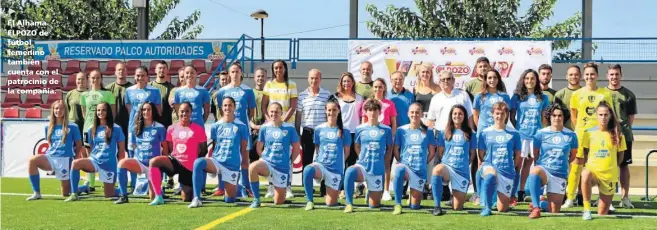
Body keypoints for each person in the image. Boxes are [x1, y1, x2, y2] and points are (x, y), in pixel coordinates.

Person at [563, 62, 614, 209]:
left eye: (592, 74)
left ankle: (604, 199)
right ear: (583, 76)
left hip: (600, 136)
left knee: (602, 166)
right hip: (581, 135)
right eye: (587, 74)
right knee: (576, 166)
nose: (589, 76)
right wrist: (581, 130)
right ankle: (570, 198)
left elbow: (609, 114)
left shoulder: (605, 93)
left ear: (597, 75)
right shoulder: (576, 94)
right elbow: (574, 116)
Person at [189, 97, 250, 208]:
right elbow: (214, 144)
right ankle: (196, 198)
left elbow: (243, 149)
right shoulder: (215, 126)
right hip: (217, 162)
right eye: (225, 105)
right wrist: (210, 158)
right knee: (198, 162)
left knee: (229, 200)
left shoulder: (241, 126)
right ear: (222, 108)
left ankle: (238, 187)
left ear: (234, 107)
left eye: (230, 105)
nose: (227, 108)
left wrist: (243, 168)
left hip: (232, 166)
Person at [148, 102, 207, 205]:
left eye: (187, 111)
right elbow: (170, 147)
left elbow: (203, 150)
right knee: (154, 162)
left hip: (190, 166)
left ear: (191, 113)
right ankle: (158, 196)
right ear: (177, 112)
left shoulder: (198, 129)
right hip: (176, 162)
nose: (184, 114)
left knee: (186, 198)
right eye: (182, 111)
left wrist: (195, 165)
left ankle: (192, 188)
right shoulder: (171, 128)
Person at [212, 62, 256, 197]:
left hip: (242, 130)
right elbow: (221, 108)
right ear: (229, 74)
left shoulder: (248, 91)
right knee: (221, 157)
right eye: (232, 71)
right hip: (226, 130)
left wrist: (241, 123)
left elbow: (251, 111)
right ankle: (221, 187)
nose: (235, 74)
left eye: (237, 71)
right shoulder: (222, 91)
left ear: (241, 73)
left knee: (244, 159)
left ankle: (246, 187)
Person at [526, 102, 578, 218]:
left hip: (560, 173)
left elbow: (573, 155)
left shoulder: (571, 135)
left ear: (564, 117)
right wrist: (540, 166)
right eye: (554, 115)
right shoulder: (540, 134)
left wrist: (563, 163)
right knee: (535, 170)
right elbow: (536, 153)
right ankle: (536, 207)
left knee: (554, 211)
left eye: (560, 115)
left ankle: (542, 204)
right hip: (545, 170)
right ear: (549, 116)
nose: (557, 118)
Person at [66, 102, 125, 201]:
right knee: (75, 163)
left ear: (108, 112)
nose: (100, 112)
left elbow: (121, 151)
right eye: (98, 110)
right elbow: (90, 147)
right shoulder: (91, 129)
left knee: (109, 195)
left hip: (109, 164)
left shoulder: (116, 129)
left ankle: (124, 190)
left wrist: (119, 168)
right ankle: (74, 194)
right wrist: (91, 158)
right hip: (95, 161)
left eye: (103, 110)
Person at [26, 100, 83, 200]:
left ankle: (83, 188)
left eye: (61, 108)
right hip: (51, 158)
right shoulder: (48, 127)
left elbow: (79, 145)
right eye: (56, 108)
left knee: (65, 193)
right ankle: (37, 193)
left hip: (65, 159)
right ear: (53, 110)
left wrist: (75, 159)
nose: (58, 110)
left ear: (65, 110)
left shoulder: (73, 126)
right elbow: (50, 143)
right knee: (32, 160)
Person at [343, 99, 393, 213]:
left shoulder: (386, 129)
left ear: (379, 112)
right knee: (350, 171)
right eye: (370, 110)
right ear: (366, 112)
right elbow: (356, 145)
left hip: (377, 169)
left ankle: (369, 192)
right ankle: (349, 203)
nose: (372, 113)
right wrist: (362, 157)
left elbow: (389, 148)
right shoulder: (359, 128)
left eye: (375, 110)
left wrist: (384, 161)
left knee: (374, 206)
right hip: (363, 166)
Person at [249, 103, 301, 208]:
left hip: (282, 167)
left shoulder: (289, 128)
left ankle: (281, 193)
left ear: (281, 113)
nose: (274, 114)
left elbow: (296, 148)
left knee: (278, 202)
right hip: (267, 163)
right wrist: (262, 158)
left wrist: (290, 161)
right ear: (268, 113)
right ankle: (256, 199)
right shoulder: (264, 128)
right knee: (252, 168)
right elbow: (259, 147)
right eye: (271, 111)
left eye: (276, 112)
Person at [580, 101, 627, 220]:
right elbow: (585, 153)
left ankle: (605, 206)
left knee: (602, 213)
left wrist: (613, 166)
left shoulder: (618, 134)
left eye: (606, 114)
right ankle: (586, 209)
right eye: (600, 114)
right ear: (596, 115)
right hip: (594, 172)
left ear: (610, 116)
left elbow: (620, 155)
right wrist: (589, 165)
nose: (603, 117)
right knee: (585, 174)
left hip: (609, 176)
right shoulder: (589, 133)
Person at [115, 102, 167, 204]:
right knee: (121, 164)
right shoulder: (135, 128)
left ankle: (159, 190)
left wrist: (162, 167)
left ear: (153, 111)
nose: (146, 112)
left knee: (153, 198)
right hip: (140, 163)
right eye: (144, 110)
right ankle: (123, 195)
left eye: (148, 109)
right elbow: (134, 147)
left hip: (154, 166)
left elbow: (165, 149)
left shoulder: (160, 127)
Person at [510, 69, 549, 204]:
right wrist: (518, 130)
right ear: (523, 80)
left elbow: (544, 118)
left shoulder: (543, 98)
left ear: (536, 81)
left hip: (536, 136)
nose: (529, 81)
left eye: (532, 78)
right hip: (522, 136)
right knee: (518, 165)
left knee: (535, 165)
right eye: (527, 78)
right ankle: (515, 193)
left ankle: (535, 194)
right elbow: (512, 116)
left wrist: (542, 133)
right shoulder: (517, 97)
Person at [303, 100, 351, 210]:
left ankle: (333, 196)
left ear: (338, 111)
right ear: (325, 111)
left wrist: (337, 162)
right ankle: (310, 201)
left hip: (335, 170)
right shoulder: (319, 129)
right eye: (329, 110)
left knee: (330, 203)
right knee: (308, 170)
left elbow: (346, 152)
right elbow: (318, 148)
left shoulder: (345, 131)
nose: (331, 112)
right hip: (321, 166)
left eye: (334, 110)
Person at [260, 60, 298, 198]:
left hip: (286, 126)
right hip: (272, 126)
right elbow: (264, 105)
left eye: (281, 67)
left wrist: (282, 121)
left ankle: (288, 187)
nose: (278, 70)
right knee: (270, 156)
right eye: (275, 68)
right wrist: (270, 120)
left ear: (285, 69)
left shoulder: (292, 84)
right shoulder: (269, 84)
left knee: (287, 158)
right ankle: (270, 187)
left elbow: (293, 107)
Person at [391, 103, 437, 215]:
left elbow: (432, 152)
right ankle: (398, 204)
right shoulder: (401, 130)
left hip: (419, 170)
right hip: (405, 167)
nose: (414, 114)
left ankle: (412, 198)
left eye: (417, 112)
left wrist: (423, 163)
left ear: (421, 114)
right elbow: (396, 149)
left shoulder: (428, 131)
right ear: (408, 114)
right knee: (399, 169)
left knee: (414, 207)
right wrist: (400, 162)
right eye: (412, 112)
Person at [477, 102, 522, 216]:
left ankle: (496, 200)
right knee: (491, 174)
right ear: (492, 114)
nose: (499, 116)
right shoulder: (485, 133)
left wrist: (511, 168)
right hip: (489, 166)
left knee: (502, 209)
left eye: (502, 113)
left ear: (506, 115)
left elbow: (517, 156)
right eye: (497, 113)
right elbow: (481, 154)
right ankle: (487, 207)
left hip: (506, 171)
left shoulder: (514, 134)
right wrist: (483, 167)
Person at [431, 104, 477, 214]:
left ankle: (455, 198)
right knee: (437, 170)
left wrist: (464, 164)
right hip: (447, 167)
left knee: (457, 208)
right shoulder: (444, 132)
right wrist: (447, 163)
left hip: (461, 172)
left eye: (460, 114)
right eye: (455, 113)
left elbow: (472, 154)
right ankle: (437, 206)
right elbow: (440, 153)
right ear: (451, 116)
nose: (457, 116)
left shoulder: (471, 133)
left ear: (464, 116)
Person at [126, 67, 162, 192]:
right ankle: (134, 184)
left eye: (142, 75)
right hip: (134, 129)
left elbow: (158, 110)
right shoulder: (129, 91)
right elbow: (130, 109)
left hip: (149, 129)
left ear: (147, 77)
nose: (140, 78)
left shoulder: (155, 91)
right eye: (137, 75)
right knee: (133, 155)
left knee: (152, 155)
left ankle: (154, 185)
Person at [360, 78, 397, 201]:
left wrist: (390, 138)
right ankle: (368, 188)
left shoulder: (389, 104)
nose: (378, 89)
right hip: (369, 139)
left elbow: (393, 123)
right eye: (375, 87)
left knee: (386, 164)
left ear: (384, 88)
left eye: (380, 87)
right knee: (368, 163)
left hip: (383, 138)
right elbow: (363, 121)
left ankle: (386, 190)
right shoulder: (367, 103)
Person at [605, 64, 637, 208]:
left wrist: (622, 131)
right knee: (606, 166)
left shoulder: (629, 95)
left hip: (624, 136)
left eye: (616, 74)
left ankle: (625, 198)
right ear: (607, 76)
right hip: (606, 137)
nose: (614, 77)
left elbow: (630, 118)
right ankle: (606, 198)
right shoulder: (602, 94)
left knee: (624, 166)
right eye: (611, 74)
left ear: (621, 75)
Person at [329, 72, 364, 199]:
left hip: (355, 133)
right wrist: (338, 128)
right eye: (344, 81)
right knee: (339, 161)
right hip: (341, 132)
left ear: (353, 83)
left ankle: (347, 189)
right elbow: (332, 115)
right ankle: (336, 189)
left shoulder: (360, 98)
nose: (346, 83)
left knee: (351, 163)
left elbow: (362, 117)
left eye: (349, 81)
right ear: (341, 83)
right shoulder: (335, 97)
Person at [296, 69, 331, 194]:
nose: (313, 81)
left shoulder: (327, 95)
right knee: (307, 161)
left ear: (320, 79)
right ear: (307, 78)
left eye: (316, 78)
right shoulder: (302, 95)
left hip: (322, 132)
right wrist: (298, 133)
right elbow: (298, 116)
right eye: (311, 78)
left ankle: (324, 188)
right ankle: (307, 189)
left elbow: (329, 114)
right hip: (307, 131)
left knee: (323, 160)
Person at [81, 70, 116, 191]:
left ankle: (107, 179)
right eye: (92, 78)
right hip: (88, 129)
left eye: (97, 78)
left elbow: (112, 112)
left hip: (103, 129)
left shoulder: (107, 94)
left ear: (101, 79)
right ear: (89, 79)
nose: (94, 80)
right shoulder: (84, 95)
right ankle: (90, 184)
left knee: (105, 153)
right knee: (89, 154)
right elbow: (84, 114)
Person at [105, 62, 134, 151]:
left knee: (128, 149)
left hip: (129, 124)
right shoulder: (108, 89)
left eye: (123, 69)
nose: (121, 71)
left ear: (127, 72)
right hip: (113, 124)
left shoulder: (132, 88)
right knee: (113, 149)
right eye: (119, 69)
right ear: (115, 72)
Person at [63, 72, 87, 153]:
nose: (81, 81)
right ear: (76, 81)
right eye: (78, 79)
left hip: (85, 125)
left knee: (85, 150)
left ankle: (85, 165)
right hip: (72, 125)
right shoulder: (70, 94)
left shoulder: (90, 94)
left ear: (87, 80)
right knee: (72, 149)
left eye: (83, 79)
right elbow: (66, 111)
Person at [149, 60, 176, 130]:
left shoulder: (173, 88)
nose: (162, 70)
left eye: (164, 68)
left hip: (167, 125)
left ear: (167, 70)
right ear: (155, 70)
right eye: (160, 68)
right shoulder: (148, 86)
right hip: (151, 124)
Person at [554, 65, 582, 130]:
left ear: (580, 76)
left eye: (576, 74)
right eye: (571, 75)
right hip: (564, 132)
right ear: (566, 76)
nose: (573, 77)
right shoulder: (559, 95)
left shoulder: (586, 92)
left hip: (583, 132)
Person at [249, 68, 268, 162]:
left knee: (265, 159)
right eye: (258, 76)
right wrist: (254, 126)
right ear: (254, 78)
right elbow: (246, 112)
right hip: (252, 130)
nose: (260, 78)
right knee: (253, 159)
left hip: (266, 129)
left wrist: (263, 126)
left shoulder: (269, 93)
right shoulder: (249, 93)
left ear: (266, 78)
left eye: (263, 76)